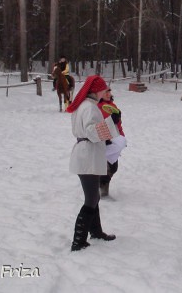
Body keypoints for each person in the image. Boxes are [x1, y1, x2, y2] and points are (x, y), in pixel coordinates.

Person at [67, 75, 118, 251]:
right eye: (104, 88)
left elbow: (90, 132)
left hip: (87, 153)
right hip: (87, 155)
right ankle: (78, 241)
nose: (106, 91)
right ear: (96, 90)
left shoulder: (85, 106)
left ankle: (96, 232)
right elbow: (92, 132)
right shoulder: (89, 107)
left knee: (94, 196)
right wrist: (112, 124)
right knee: (91, 198)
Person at [97, 88, 127, 197]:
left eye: (109, 92)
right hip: (104, 140)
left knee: (113, 167)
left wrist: (122, 137)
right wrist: (106, 139)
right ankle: (102, 193)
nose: (109, 94)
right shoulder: (97, 107)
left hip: (115, 140)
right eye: (106, 92)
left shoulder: (112, 105)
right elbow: (98, 126)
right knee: (107, 168)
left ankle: (101, 189)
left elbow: (118, 125)